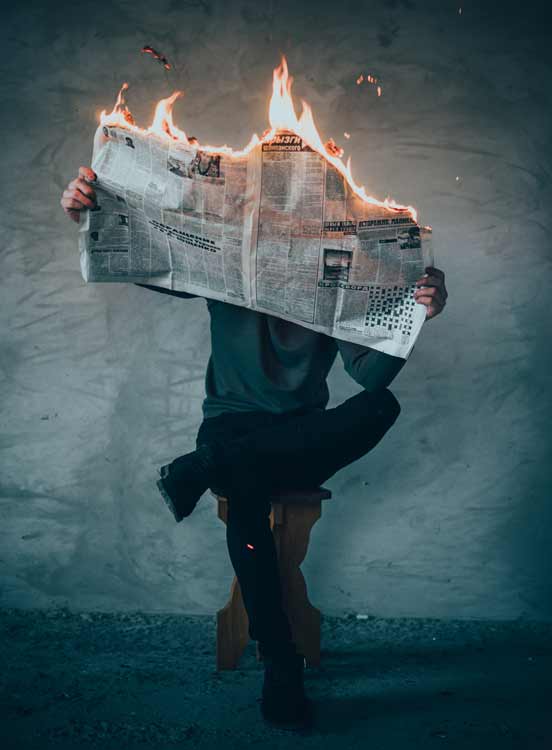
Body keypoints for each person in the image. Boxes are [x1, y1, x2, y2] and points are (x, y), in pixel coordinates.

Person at [61, 166, 448, 729]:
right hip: (233, 430)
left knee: (380, 408)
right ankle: (281, 665)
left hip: (298, 437)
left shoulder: (335, 271)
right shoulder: (225, 257)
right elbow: (146, 257)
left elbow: (372, 379)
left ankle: (203, 470)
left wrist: (417, 312)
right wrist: (88, 211)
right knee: (247, 492)